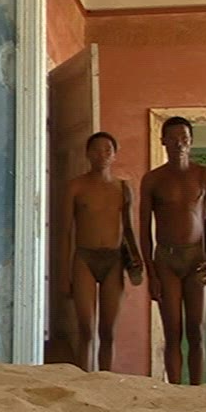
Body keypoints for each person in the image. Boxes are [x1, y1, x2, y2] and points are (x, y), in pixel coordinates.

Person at [139, 117, 206, 386]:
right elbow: (144, 228)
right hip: (166, 260)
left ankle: (197, 391)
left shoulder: (204, 175)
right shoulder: (153, 179)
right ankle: (175, 391)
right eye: (173, 138)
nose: (179, 143)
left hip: (196, 259)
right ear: (163, 141)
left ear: (191, 141)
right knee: (172, 332)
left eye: (184, 138)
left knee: (197, 331)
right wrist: (151, 273)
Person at [61, 132, 144, 373]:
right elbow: (65, 232)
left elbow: (129, 229)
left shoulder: (123, 188)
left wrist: (136, 260)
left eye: (108, 150)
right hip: (84, 258)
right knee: (86, 330)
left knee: (107, 331)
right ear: (87, 154)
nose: (102, 155)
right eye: (96, 150)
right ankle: (83, 380)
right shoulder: (75, 187)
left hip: (114, 260)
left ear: (115, 155)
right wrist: (64, 275)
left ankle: (106, 381)